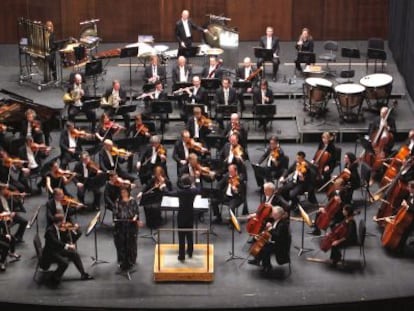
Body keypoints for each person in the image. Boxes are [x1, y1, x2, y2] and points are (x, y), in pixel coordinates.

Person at [40, 213, 93, 285]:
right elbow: (56, 242)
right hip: (50, 253)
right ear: (59, 222)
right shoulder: (50, 231)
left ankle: (83, 274)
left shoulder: (58, 229)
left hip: (56, 250)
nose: (64, 223)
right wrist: (68, 246)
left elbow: (65, 238)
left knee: (74, 254)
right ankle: (54, 277)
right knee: (64, 263)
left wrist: (75, 231)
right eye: (63, 221)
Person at [248, 206, 290, 272]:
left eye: (273, 213)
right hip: (275, 241)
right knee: (258, 241)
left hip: (280, 245)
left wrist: (271, 229)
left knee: (264, 248)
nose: (271, 214)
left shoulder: (283, 224)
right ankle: (258, 260)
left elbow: (277, 235)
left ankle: (267, 266)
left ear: (277, 215)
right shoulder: (275, 220)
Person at [113, 187, 143, 272]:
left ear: (128, 192)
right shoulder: (117, 201)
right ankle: (122, 261)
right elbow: (115, 212)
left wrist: (135, 218)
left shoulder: (132, 201)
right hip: (121, 225)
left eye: (125, 192)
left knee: (131, 243)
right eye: (122, 192)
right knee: (121, 243)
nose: (123, 194)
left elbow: (136, 213)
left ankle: (131, 261)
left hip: (131, 225)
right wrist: (115, 219)